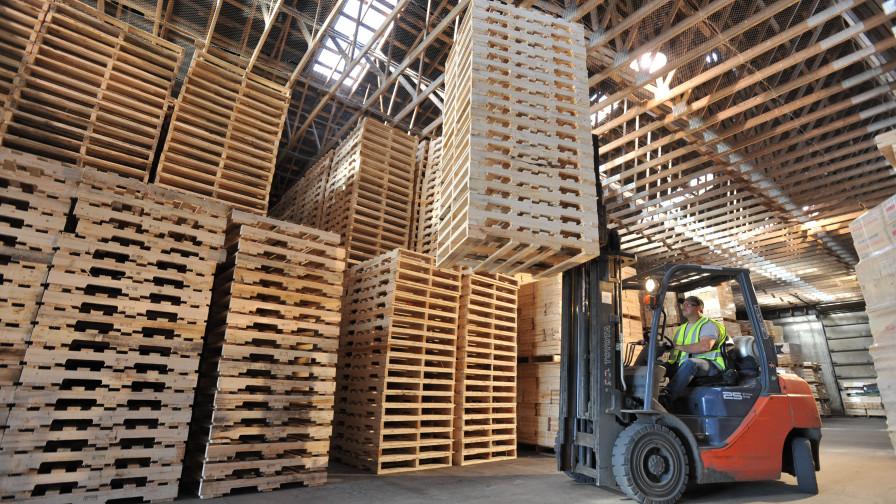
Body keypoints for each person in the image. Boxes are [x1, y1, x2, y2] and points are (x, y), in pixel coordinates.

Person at [660, 295, 728, 406]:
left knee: (690, 364)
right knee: (660, 366)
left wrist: (677, 346)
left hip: (710, 365)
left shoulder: (707, 324)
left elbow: (705, 346)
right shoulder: (681, 328)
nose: (683, 307)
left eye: (688, 304)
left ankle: (666, 398)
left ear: (699, 308)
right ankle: (645, 395)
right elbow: (673, 348)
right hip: (685, 364)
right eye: (683, 304)